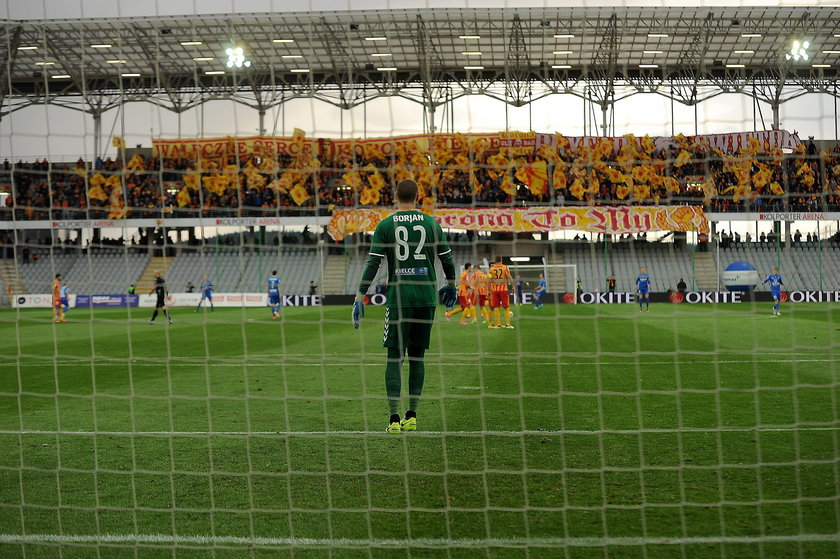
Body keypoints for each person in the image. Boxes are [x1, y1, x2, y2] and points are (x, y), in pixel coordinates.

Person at [351, 179, 457, 434]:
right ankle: (412, 415)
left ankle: (394, 419)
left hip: (399, 299)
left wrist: (359, 296)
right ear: (419, 195)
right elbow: (447, 259)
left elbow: (373, 264)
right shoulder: (431, 223)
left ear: (395, 195)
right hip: (426, 299)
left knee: (394, 357)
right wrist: (452, 285)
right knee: (418, 357)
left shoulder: (386, 225)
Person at [488, 255, 513, 329]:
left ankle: (497, 324)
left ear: (495, 261)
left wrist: (489, 290)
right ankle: (507, 324)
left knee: (496, 307)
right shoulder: (505, 267)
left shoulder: (491, 269)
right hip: (503, 289)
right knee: (506, 307)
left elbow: (489, 280)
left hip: (495, 290)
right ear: (501, 260)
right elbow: (509, 277)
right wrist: (513, 286)